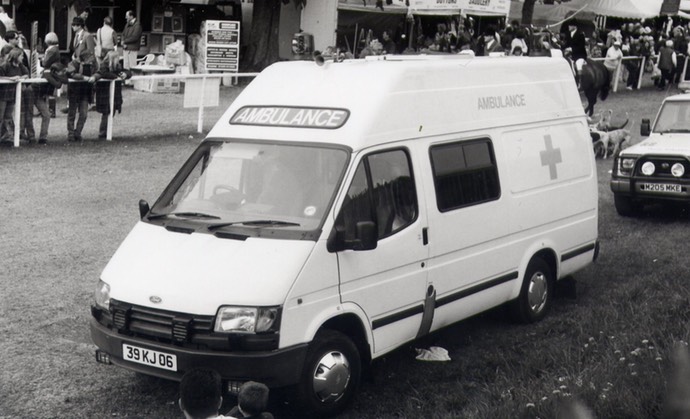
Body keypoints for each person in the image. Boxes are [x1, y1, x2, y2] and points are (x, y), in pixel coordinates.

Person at [91, 50, 127, 140]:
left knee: (111, 112)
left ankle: (106, 132)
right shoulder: (103, 67)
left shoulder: (118, 67)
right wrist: (116, 76)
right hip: (104, 94)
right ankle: (102, 133)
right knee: (106, 113)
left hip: (114, 94)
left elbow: (127, 71)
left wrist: (125, 74)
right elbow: (104, 74)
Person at [32, 32, 61, 144]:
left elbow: (45, 63)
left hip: (42, 86)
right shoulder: (53, 50)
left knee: (43, 112)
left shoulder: (52, 51)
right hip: (43, 87)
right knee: (45, 112)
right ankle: (39, 136)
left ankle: (39, 136)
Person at [66, 48, 97, 142]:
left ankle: (77, 132)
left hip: (85, 91)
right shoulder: (74, 63)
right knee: (72, 113)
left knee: (84, 114)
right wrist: (84, 77)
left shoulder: (94, 64)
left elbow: (98, 71)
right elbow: (70, 73)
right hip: (74, 90)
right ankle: (71, 134)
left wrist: (94, 77)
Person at [0, 47, 28, 144]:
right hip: (2, 95)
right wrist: (11, 78)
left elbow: (26, 74)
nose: (22, 58)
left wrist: (21, 77)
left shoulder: (20, 66)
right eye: (21, 56)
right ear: (16, 56)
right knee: (0, 116)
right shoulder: (5, 66)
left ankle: (7, 137)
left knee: (7, 116)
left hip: (12, 95)